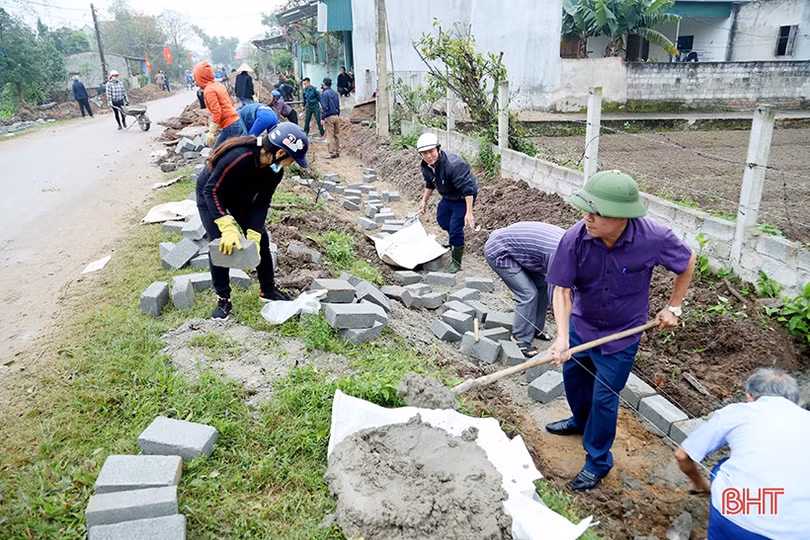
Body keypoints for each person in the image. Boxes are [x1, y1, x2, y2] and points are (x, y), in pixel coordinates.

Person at [544, 170, 696, 491]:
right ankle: (580, 422)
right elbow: (562, 290)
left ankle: (597, 461)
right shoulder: (575, 238)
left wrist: (674, 306)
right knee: (575, 382)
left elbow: (687, 261)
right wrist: (561, 337)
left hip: (622, 336)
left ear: (622, 217)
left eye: (597, 212)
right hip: (581, 327)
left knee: (604, 399)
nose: (588, 218)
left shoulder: (653, 238)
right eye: (586, 209)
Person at [675, 368, 810, 539]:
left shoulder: (738, 412)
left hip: (736, 515)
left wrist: (699, 483)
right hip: (799, 531)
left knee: (723, 467)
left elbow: (682, 455)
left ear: (749, 397)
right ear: (795, 403)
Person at [197, 123, 310, 319]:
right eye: (291, 159)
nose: (290, 164)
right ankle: (223, 298)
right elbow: (211, 190)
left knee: (263, 239)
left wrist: (254, 233)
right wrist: (227, 227)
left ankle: (267, 290)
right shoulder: (240, 156)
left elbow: (262, 202)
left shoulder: (275, 171)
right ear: (281, 152)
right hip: (211, 193)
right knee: (220, 244)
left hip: (239, 196)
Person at [484, 222, 563, 357]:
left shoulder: (574, 247)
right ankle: (520, 338)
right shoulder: (558, 255)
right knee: (528, 294)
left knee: (541, 286)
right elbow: (555, 296)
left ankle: (536, 328)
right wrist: (565, 331)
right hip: (499, 250)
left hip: (522, 250)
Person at [416, 132, 477, 273]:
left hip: (463, 197)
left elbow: (468, 189)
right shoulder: (426, 166)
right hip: (448, 196)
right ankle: (453, 242)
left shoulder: (454, 165)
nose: (428, 156)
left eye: (431, 152)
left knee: (456, 228)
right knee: (443, 220)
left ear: (438, 148)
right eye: (424, 153)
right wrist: (424, 201)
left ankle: (456, 262)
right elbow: (430, 184)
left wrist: (469, 212)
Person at [193, 61, 246, 148]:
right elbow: (231, 103)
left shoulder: (209, 91)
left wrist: (212, 131)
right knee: (233, 151)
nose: (195, 81)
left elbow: (217, 111)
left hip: (230, 125)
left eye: (196, 78)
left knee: (216, 153)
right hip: (237, 121)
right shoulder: (218, 85)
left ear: (200, 77)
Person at [321, 78, 340, 159]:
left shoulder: (325, 94)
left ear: (324, 84)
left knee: (330, 135)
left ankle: (332, 152)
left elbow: (325, 107)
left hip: (329, 116)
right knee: (336, 135)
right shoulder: (335, 93)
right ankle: (337, 151)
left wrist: (322, 118)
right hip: (336, 116)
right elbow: (338, 105)